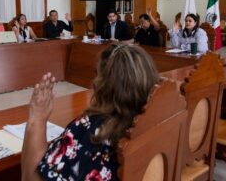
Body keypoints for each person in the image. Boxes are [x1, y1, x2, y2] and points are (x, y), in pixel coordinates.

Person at [21, 44, 160, 180]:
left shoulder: (89, 130)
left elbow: (30, 177)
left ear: (104, 83)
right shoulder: (155, 119)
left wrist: (37, 118)